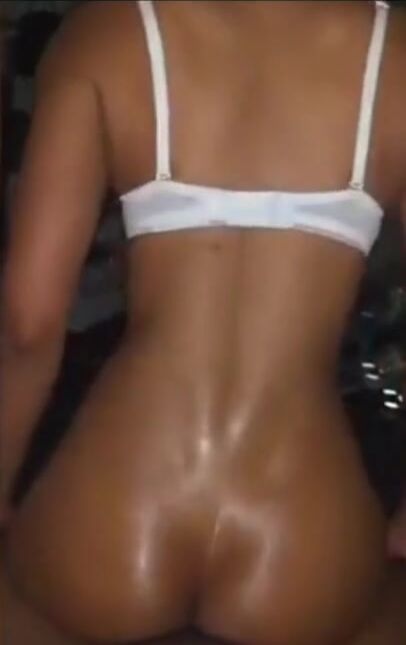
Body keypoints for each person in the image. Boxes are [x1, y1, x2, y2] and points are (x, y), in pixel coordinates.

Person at [1, 1, 405, 644]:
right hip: (301, 518)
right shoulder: (396, 54)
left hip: (117, 497)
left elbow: (28, 322)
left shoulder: (109, 32)